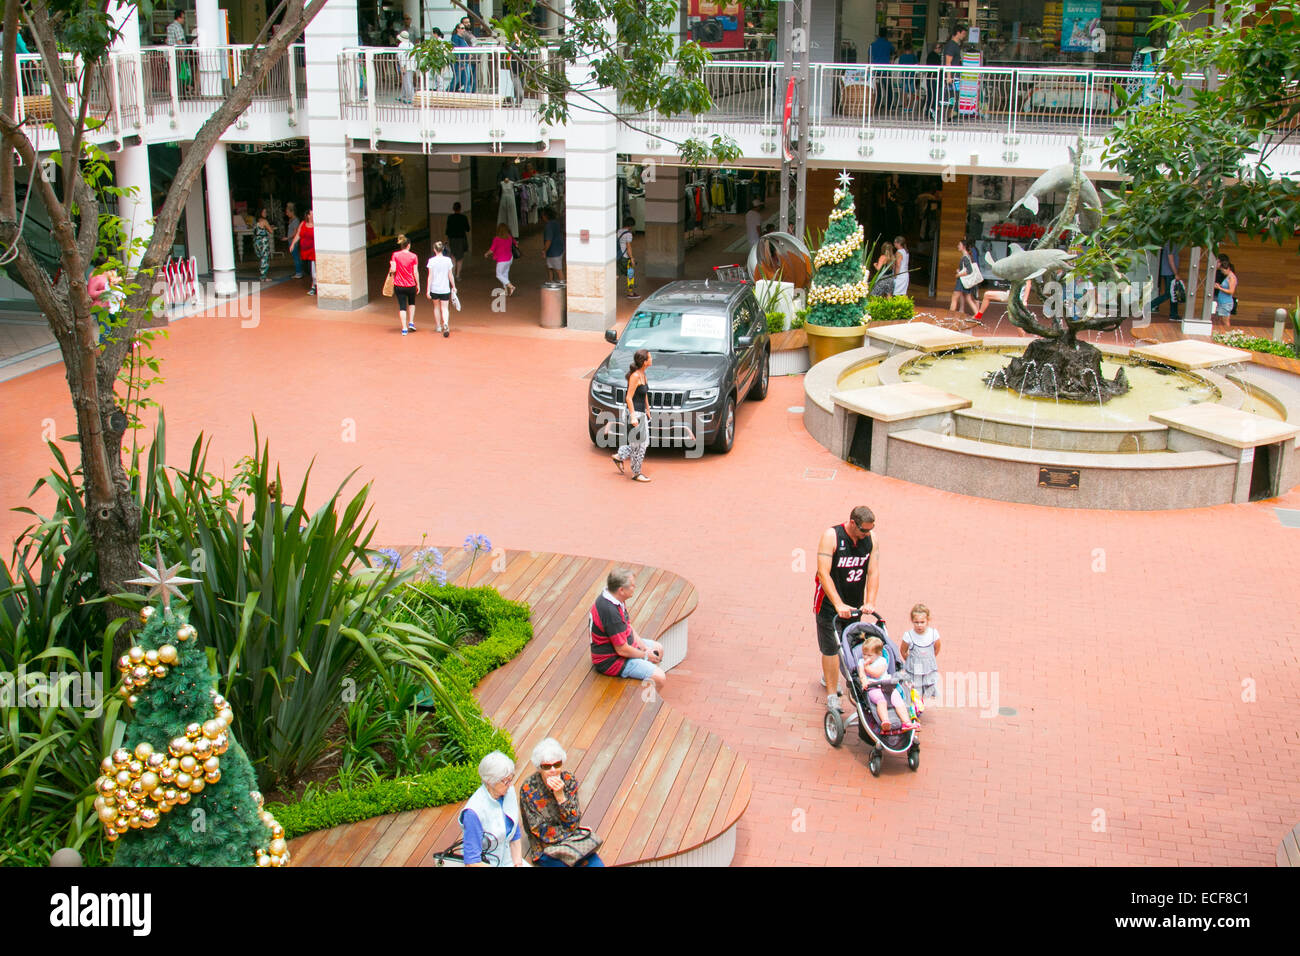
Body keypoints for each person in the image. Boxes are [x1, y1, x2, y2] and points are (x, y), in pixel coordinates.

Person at [813, 506, 880, 712]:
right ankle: (832, 693)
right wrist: (837, 604)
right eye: (863, 531)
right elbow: (823, 574)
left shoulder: (871, 540)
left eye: (869, 530)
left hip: (854, 603)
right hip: (829, 603)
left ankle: (850, 680)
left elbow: (873, 571)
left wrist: (870, 601)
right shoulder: (831, 536)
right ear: (852, 523)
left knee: (853, 644)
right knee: (831, 647)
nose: (866, 534)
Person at [518, 738, 605, 867]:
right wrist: (573, 831)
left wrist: (560, 797)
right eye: (547, 766)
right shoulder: (529, 789)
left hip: (572, 840)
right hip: (546, 846)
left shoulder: (569, 780)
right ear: (539, 768)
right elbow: (541, 831)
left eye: (557, 765)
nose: (553, 770)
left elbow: (574, 819)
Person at [589, 567, 666, 691]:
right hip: (612, 660)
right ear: (621, 590)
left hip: (624, 645)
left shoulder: (614, 598)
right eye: (632, 586)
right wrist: (645, 655)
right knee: (659, 677)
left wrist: (643, 647)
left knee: (658, 648)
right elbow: (622, 650)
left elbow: (627, 625)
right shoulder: (610, 612)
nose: (634, 588)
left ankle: (646, 677)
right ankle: (648, 703)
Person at [459, 751, 524, 867]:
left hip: (509, 860)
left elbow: (515, 834)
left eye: (511, 779)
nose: (509, 784)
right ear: (490, 781)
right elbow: (472, 862)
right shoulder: (473, 812)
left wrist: (518, 863)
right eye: (505, 781)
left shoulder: (509, 791)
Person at [611, 348, 653, 483]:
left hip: (641, 413)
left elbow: (644, 393)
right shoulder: (635, 376)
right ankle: (636, 473)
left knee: (643, 443)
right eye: (650, 357)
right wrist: (633, 416)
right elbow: (628, 398)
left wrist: (647, 409)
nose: (652, 359)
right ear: (645, 361)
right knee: (638, 444)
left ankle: (620, 455)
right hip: (634, 413)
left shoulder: (643, 374)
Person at [857, 636, 913, 732]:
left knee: (898, 700)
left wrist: (867, 668)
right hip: (873, 688)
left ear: (878, 654)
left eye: (869, 655)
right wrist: (864, 681)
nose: (865, 657)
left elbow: (877, 673)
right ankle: (885, 721)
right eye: (864, 654)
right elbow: (861, 674)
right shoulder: (861, 662)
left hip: (888, 686)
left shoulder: (882, 661)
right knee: (881, 701)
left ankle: (906, 722)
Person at [900, 602, 940, 711]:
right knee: (914, 689)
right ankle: (914, 709)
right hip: (914, 669)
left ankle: (919, 702)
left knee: (926, 688)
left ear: (928, 621)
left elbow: (936, 648)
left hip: (928, 669)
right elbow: (903, 651)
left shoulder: (933, 634)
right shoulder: (909, 636)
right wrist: (911, 661)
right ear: (912, 621)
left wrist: (929, 660)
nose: (919, 625)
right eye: (916, 622)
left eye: (922, 622)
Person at [388, 234, 421, 334]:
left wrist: (391, 269)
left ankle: (404, 328)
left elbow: (393, 270)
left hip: (399, 285)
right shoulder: (414, 256)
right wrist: (418, 284)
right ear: (409, 245)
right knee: (412, 303)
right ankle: (411, 322)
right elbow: (415, 271)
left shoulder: (395, 255)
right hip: (411, 284)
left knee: (402, 306)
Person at [425, 240, 456, 337]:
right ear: (443, 249)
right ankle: (445, 323)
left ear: (434, 250)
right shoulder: (448, 260)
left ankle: (438, 326)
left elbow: (430, 276)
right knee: (445, 308)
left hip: (435, 288)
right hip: (445, 288)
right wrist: (454, 286)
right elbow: (450, 275)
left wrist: (428, 290)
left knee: (436, 307)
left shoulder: (431, 261)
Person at [1149, 242, 1181, 321]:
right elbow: (1171, 259)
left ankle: (1174, 314)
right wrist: (1176, 273)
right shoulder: (1171, 244)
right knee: (1169, 293)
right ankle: (1148, 306)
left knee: (1173, 293)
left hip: (1168, 272)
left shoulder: (1169, 243)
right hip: (1170, 273)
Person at [289, 209, 315, 294]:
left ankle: (314, 286)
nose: (314, 215)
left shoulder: (316, 225)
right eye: (312, 214)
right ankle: (314, 284)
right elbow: (298, 234)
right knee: (307, 269)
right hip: (304, 251)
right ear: (308, 215)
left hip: (313, 251)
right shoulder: (303, 223)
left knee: (313, 270)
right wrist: (293, 244)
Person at [950, 238, 979, 315]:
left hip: (961, 281)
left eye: (959, 245)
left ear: (963, 246)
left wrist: (958, 274)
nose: (958, 246)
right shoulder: (967, 256)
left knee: (954, 297)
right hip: (965, 281)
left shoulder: (965, 257)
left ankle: (950, 316)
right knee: (968, 299)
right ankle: (978, 315)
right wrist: (960, 271)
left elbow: (969, 270)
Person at [484, 223, 515, 296]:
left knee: (499, 275)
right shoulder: (509, 237)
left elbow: (492, 250)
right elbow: (515, 243)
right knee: (505, 274)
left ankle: (511, 286)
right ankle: (506, 291)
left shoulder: (497, 239)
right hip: (510, 258)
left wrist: (486, 254)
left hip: (502, 260)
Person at [445, 201, 470, 278]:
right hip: (461, 239)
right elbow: (468, 229)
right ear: (460, 208)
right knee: (460, 258)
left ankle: (452, 274)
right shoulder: (463, 217)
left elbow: (447, 231)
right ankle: (458, 275)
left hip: (452, 239)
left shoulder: (450, 217)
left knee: (453, 257)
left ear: (453, 209)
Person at [617, 217, 639, 299]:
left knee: (617, 274)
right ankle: (631, 293)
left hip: (618, 256)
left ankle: (607, 290)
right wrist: (632, 258)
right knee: (630, 275)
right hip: (625, 257)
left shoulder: (619, 231)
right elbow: (628, 247)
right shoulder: (628, 234)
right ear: (631, 226)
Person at [451, 19, 476, 92]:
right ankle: (449, 91)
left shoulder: (462, 38)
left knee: (466, 80)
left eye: (464, 28)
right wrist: (460, 63)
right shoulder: (455, 37)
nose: (463, 30)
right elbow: (456, 50)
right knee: (457, 80)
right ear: (457, 29)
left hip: (465, 61)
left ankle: (467, 95)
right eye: (462, 28)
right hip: (460, 62)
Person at [1214, 255, 1237, 331]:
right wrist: (1220, 286)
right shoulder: (1227, 277)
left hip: (1226, 303)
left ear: (1228, 269)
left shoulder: (1231, 277)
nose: (1222, 272)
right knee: (1220, 320)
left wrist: (1219, 288)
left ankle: (1227, 334)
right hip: (1222, 302)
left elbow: (1231, 291)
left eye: (1223, 270)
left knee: (1225, 321)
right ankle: (1222, 333)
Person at [541, 207, 564, 281]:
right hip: (558, 249)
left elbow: (548, 240)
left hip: (554, 251)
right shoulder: (556, 223)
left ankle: (562, 286)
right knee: (550, 267)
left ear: (546, 216)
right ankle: (551, 282)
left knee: (557, 270)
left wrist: (544, 250)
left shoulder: (548, 226)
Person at [252, 208, 274, 281]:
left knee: (261, 258)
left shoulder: (255, 222)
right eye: (264, 212)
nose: (265, 213)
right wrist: (271, 227)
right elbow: (270, 231)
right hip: (263, 242)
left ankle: (262, 274)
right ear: (260, 213)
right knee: (265, 258)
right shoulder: (264, 221)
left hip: (256, 242)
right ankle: (263, 276)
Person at [396, 30, 415, 103]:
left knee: (407, 81)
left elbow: (401, 57)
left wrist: (402, 66)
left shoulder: (401, 45)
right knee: (406, 81)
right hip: (411, 65)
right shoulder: (411, 44)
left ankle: (411, 97)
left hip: (405, 66)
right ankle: (402, 95)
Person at [285, 203, 303, 279]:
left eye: (288, 212)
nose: (286, 214)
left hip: (293, 241)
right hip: (290, 240)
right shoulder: (291, 220)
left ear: (292, 212)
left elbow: (296, 232)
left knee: (296, 257)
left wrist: (288, 238)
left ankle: (299, 272)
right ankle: (298, 271)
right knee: (295, 256)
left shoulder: (296, 220)